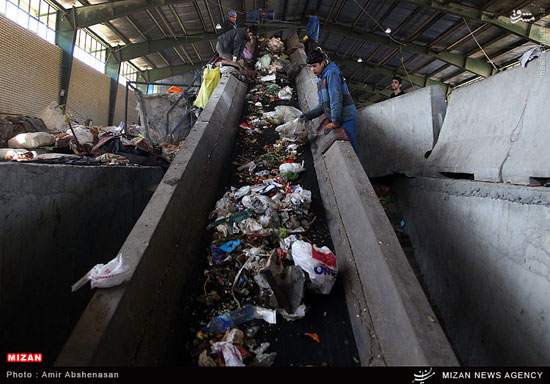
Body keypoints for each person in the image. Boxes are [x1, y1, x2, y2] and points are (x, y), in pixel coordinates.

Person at [301, 49, 358, 151]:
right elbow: (323, 104)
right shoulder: (322, 77)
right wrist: (308, 115)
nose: (312, 69)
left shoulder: (332, 73)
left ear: (322, 63)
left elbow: (336, 99)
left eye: (314, 66)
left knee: (350, 149)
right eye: (310, 67)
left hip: (346, 118)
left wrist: (335, 122)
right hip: (340, 117)